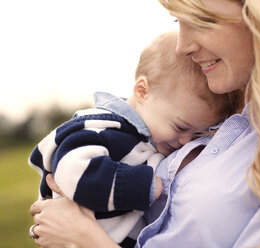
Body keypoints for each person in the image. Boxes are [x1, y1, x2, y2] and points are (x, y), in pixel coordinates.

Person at [29, 0, 260, 247]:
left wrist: (84, 237)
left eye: (200, 20)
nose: (182, 46)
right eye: (178, 22)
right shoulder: (215, 116)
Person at [28, 31, 234, 247]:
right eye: (181, 127)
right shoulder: (102, 126)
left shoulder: (149, 137)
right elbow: (73, 170)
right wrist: (140, 186)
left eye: (196, 134)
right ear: (143, 91)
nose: (185, 141)